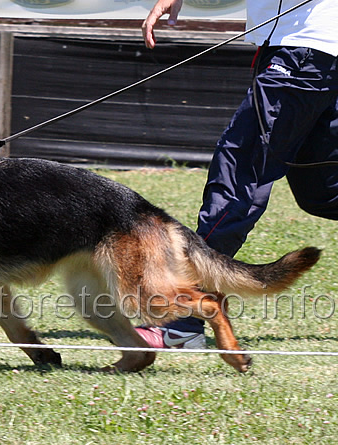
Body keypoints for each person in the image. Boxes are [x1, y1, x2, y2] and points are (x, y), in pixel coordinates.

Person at [136, 0, 338, 349]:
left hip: (302, 51)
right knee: (322, 190)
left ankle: (181, 321)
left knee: (238, 178)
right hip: (315, 51)